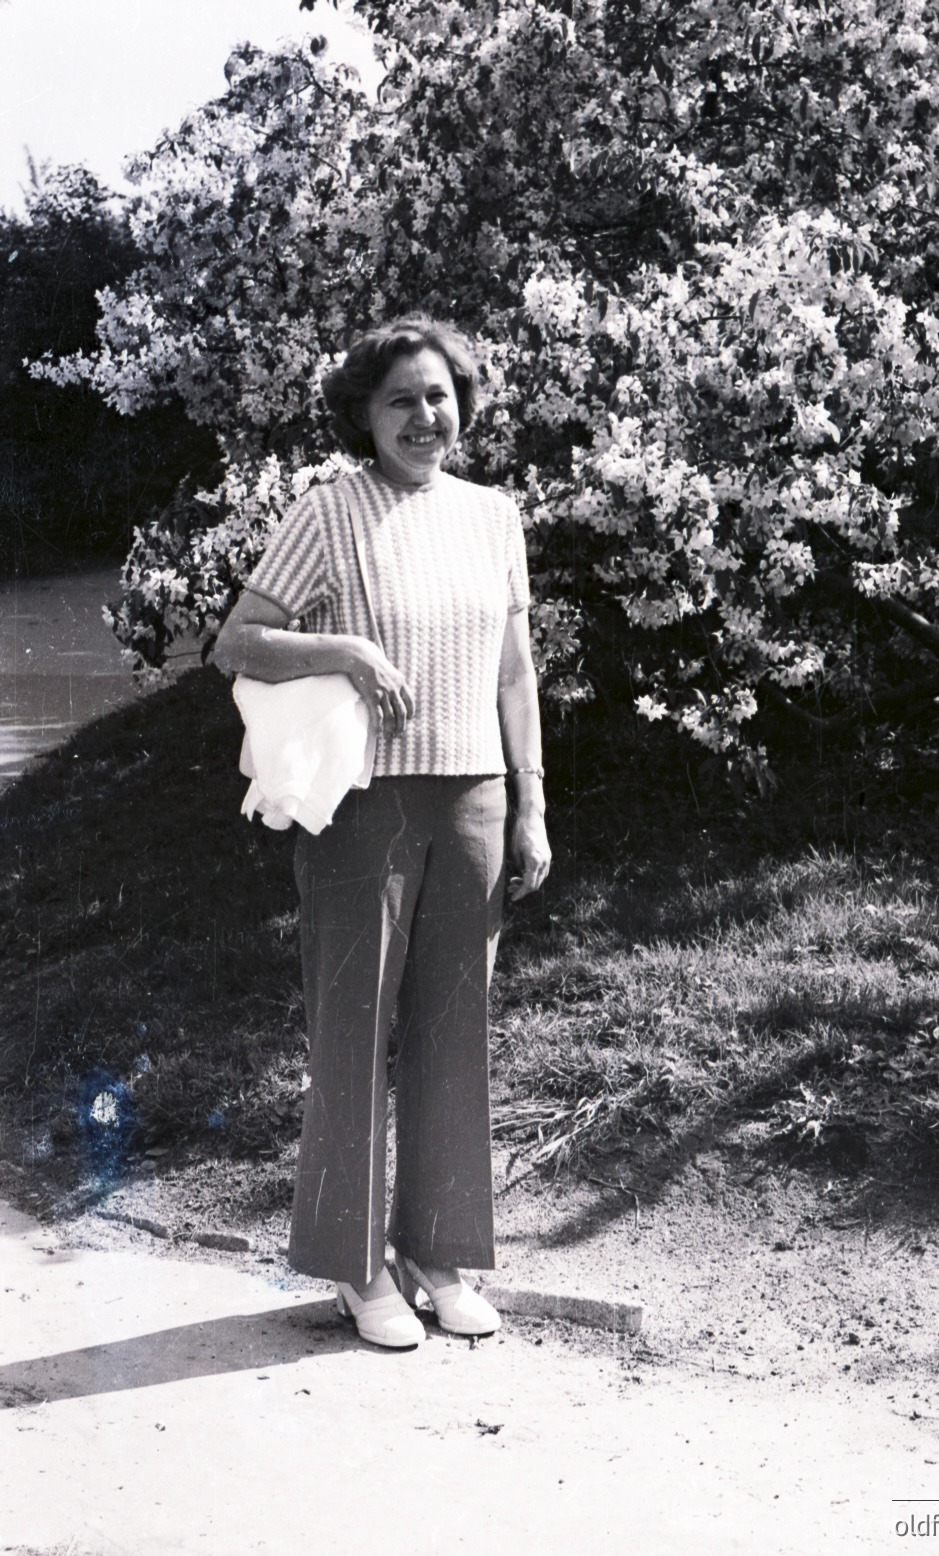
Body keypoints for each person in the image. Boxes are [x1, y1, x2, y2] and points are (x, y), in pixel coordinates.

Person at [213, 317, 551, 1348]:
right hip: (363, 807)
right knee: (354, 1029)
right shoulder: (329, 511)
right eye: (400, 399)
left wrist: (532, 802)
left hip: (475, 800)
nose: (423, 416)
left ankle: (437, 1256)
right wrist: (347, 649)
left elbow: (513, 672)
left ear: (464, 403)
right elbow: (237, 639)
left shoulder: (494, 516)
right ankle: (355, 1268)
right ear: (365, 415)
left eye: (439, 394)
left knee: (456, 1035)